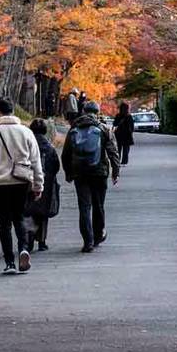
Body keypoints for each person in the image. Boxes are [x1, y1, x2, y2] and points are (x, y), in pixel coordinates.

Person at [0, 98, 44, 275]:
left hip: (0, 184)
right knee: (20, 218)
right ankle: (23, 249)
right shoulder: (26, 132)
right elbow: (36, 162)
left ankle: (9, 262)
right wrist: (38, 185)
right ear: (12, 111)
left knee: (4, 223)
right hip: (21, 182)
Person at [61, 99, 120, 253]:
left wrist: (68, 173)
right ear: (97, 113)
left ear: (84, 112)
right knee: (98, 205)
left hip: (80, 173)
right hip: (99, 172)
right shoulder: (103, 129)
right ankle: (98, 235)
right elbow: (113, 152)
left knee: (84, 207)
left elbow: (66, 154)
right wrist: (115, 172)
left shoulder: (74, 128)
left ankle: (88, 241)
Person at [25, 118, 61, 252]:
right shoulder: (49, 147)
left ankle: (28, 240)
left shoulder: (27, 144)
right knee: (43, 212)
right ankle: (42, 241)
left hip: (28, 181)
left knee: (28, 210)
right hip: (47, 182)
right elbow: (56, 166)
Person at [113, 100, 135, 166]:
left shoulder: (118, 116)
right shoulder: (129, 116)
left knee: (118, 149)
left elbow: (115, 124)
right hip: (127, 135)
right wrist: (130, 132)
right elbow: (132, 126)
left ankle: (117, 160)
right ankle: (124, 162)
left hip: (118, 134)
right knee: (126, 149)